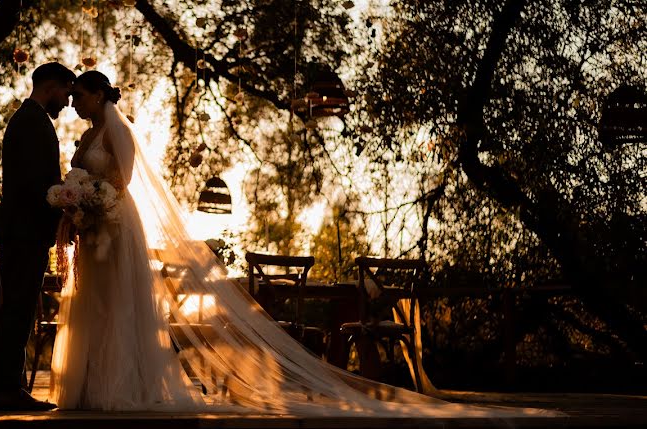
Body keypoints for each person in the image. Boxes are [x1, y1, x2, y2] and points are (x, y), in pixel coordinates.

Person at [46, 70, 559, 418]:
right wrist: (77, 204)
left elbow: (126, 180)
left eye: (80, 98)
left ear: (98, 95)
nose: (74, 105)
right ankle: (91, 386)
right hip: (93, 228)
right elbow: (93, 176)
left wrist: (94, 199)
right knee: (95, 306)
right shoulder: (87, 137)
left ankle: (122, 388)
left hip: (114, 224)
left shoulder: (119, 133)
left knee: (120, 307)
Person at [0, 62, 74, 411]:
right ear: (52, 86)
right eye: (66, 93)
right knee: (19, 309)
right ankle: (8, 390)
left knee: (15, 307)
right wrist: (63, 211)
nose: (68, 102)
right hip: (24, 230)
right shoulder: (32, 122)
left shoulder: (28, 120)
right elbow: (32, 184)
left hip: (22, 229)